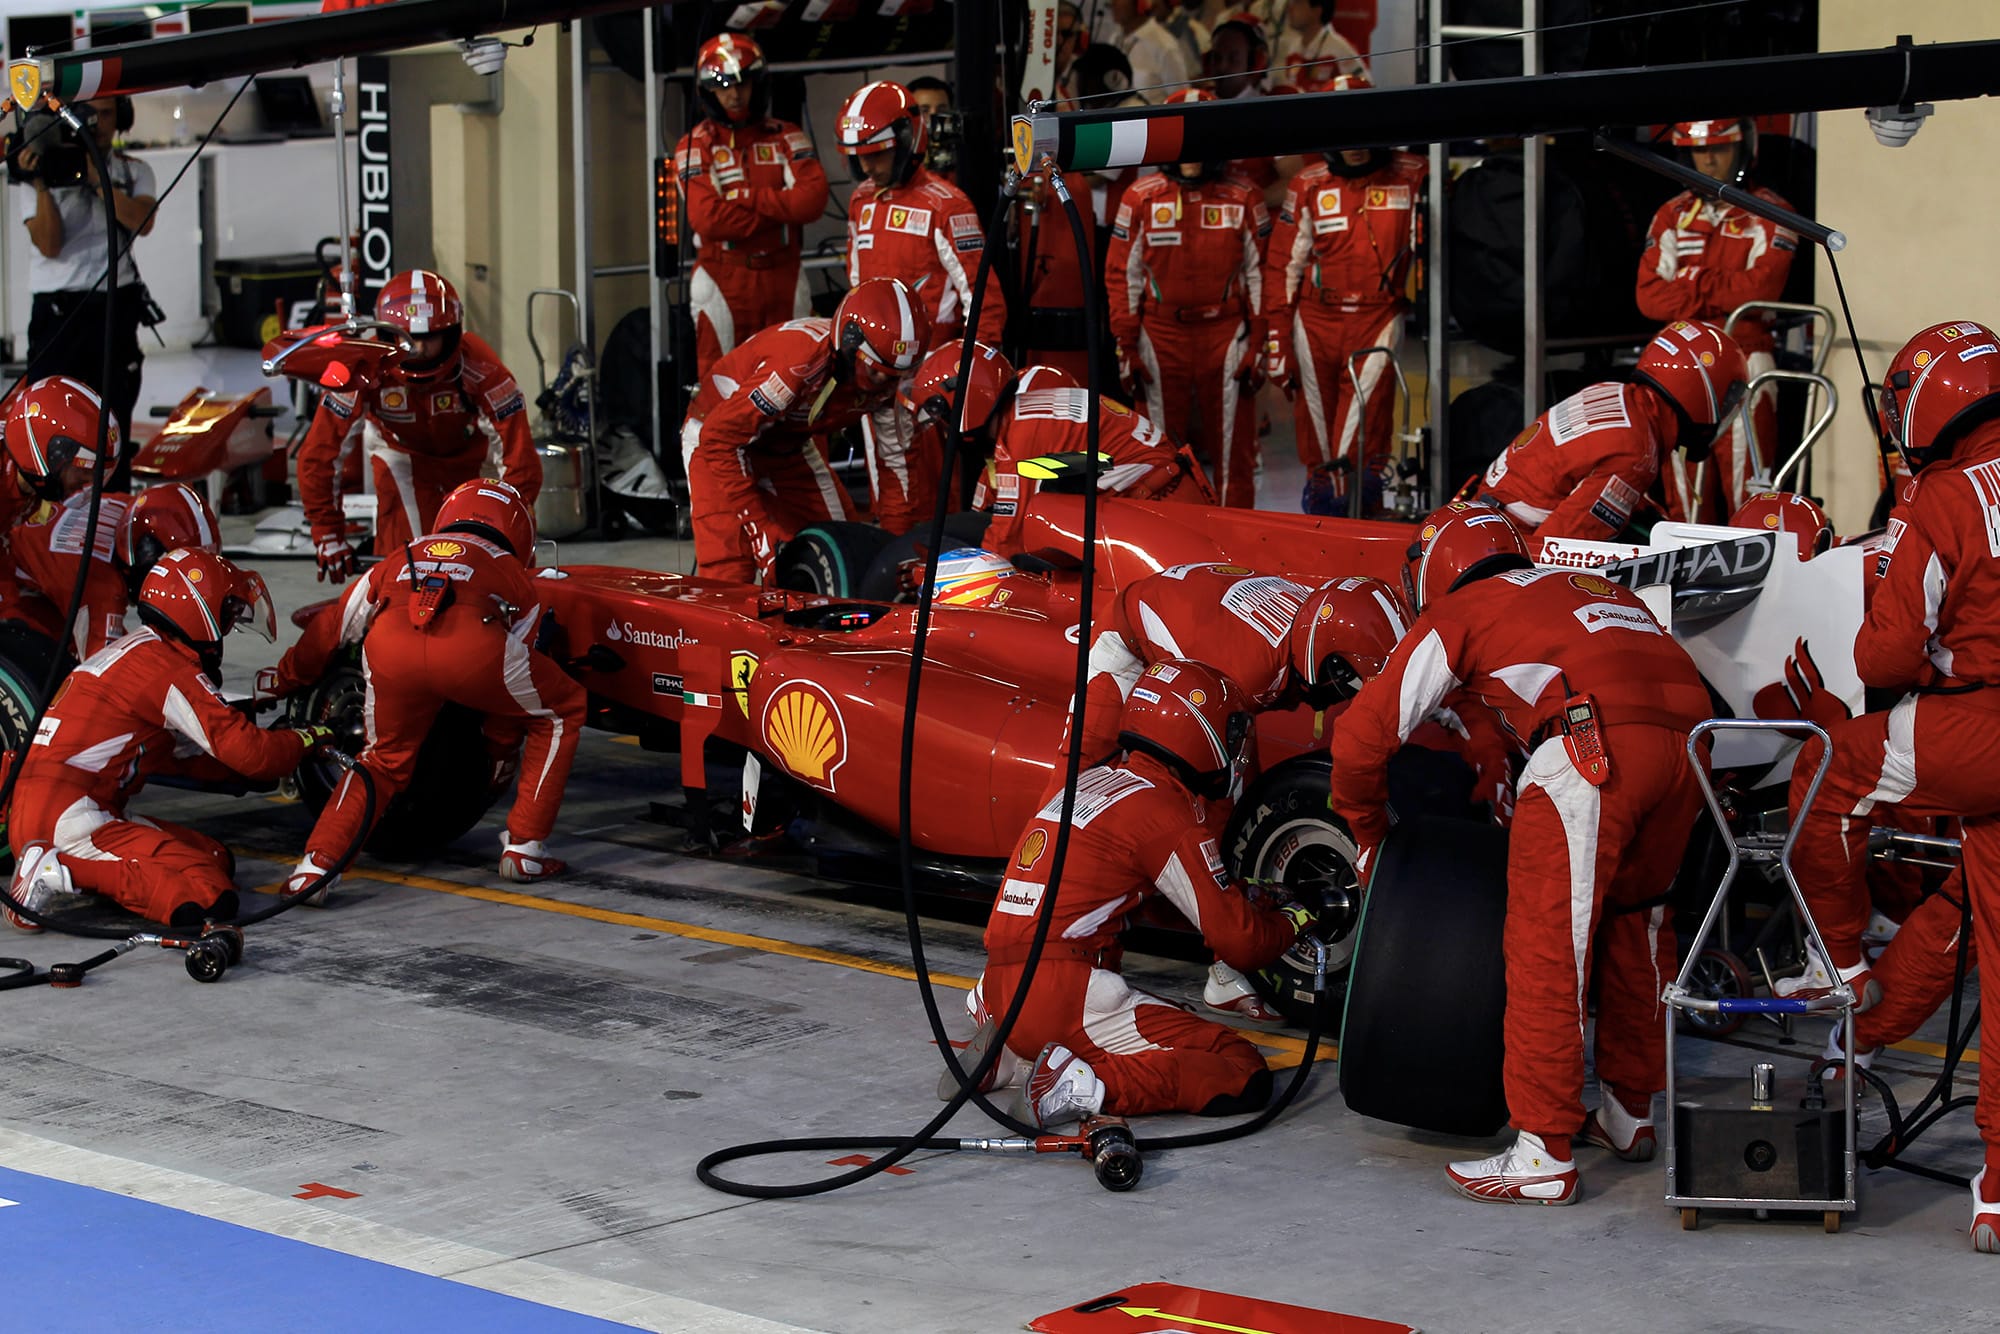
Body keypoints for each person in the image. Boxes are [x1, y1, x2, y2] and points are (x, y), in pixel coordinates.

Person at [1329, 502, 1711, 1203]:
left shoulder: (1465, 608)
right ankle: (1629, 1114)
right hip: (1692, 747)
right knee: (1641, 925)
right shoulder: (1588, 589)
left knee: (1545, 944)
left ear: (1434, 570)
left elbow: (1361, 736)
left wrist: (1365, 831)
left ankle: (1542, 1151)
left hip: (1592, 748)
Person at [1771, 321, 2000, 1249]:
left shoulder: (1946, 495)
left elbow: (1889, 648)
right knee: (1977, 928)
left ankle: (1841, 962)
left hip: (1978, 723)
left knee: (1828, 772)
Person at [964, 658, 1326, 1126]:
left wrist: (1241, 894)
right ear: (1200, 731)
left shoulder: (1089, 781)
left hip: (999, 987)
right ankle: (1086, 1085)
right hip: (1063, 994)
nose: (1236, 744)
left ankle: (1012, 1058)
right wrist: (1298, 916)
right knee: (1240, 1069)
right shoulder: (1165, 809)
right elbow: (1241, 943)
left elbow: (1139, 895)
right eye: (1230, 729)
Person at [265, 480, 586, 899]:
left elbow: (333, 626)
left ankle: (315, 867)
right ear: (519, 535)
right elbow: (515, 678)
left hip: (391, 649)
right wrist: (496, 753)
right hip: (473, 650)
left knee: (380, 760)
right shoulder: (511, 570)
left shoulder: (402, 555)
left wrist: (285, 677)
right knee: (563, 709)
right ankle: (525, 847)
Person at [5, 548, 318, 931]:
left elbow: (183, 759)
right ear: (198, 608)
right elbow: (252, 754)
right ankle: (56, 870)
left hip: (63, 805)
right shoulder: (165, 668)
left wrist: (260, 765)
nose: (227, 629)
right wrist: (307, 739)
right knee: (209, 896)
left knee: (214, 856)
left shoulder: (141, 651)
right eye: (227, 613)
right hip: (71, 816)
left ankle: (80, 868)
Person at [296, 268, 540, 583]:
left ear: (452, 332)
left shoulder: (484, 369)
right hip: (399, 456)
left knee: (496, 563)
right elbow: (320, 452)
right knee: (399, 568)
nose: (418, 349)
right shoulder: (361, 368)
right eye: (406, 337)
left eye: (429, 338)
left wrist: (508, 526)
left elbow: (519, 457)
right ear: (385, 333)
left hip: (474, 463)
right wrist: (327, 532)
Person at [839, 80, 1006, 535]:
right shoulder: (859, 203)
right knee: (885, 489)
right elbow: (856, 288)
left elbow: (984, 299)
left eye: (877, 153)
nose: (868, 165)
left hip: (932, 378)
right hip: (876, 375)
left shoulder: (948, 206)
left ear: (908, 140)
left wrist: (966, 375)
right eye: (860, 156)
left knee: (936, 499)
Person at [681, 279, 929, 581]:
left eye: (898, 375)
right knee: (730, 571)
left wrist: (892, 556)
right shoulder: (798, 363)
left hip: (786, 444)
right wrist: (760, 531)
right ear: (849, 345)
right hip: (716, 438)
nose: (885, 383)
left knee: (847, 554)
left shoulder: (892, 385)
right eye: (876, 371)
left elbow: (897, 469)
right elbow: (719, 439)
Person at [1262, 72, 1425, 517]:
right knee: (1316, 438)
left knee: (1360, 434)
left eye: (1363, 126)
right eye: (1343, 128)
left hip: (1378, 316)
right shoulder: (1308, 185)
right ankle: (1322, 533)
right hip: (1314, 322)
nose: (1355, 143)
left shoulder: (1413, 175)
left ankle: (1362, 519)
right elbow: (1283, 266)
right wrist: (1276, 341)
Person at [1106, 88, 1270, 508]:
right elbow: (1121, 277)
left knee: (1235, 447)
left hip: (1226, 334)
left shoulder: (1245, 196)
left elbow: (1264, 275)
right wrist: (1126, 346)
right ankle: (1169, 534)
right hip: (1160, 336)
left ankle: (1238, 539)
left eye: (1202, 137)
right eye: (1183, 138)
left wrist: (1260, 342)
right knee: (1158, 450)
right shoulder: (1139, 197)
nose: (1192, 151)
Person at [902, 343, 1213, 556]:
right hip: (1161, 491)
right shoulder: (1020, 421)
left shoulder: (1020, 437)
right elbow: (987, 509)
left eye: (941, 413)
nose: (942, 425)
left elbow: (1004, 542)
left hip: (1163, 505)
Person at [1635, 119, 1798, 522]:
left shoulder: (1772, 212)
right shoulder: (1669, 215)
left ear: (1742, 150)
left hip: (1748, 363)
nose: (1707, 160)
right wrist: (1719, 291)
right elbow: (1649, 298)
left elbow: (1762, 291)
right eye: (1697, 150)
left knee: (1749, 494)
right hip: (1680, 373)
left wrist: (1693, 281)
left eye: (1718, 149)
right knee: (1684, 504)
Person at [1475, 319, 1749, 543]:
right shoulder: (1637, 452)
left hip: (1482, 521)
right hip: (1508, 543)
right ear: (1699, 393)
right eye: (1726, 401)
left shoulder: (1614, 393)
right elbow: (1565, 548)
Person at [674, 34, 831, 379]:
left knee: (798, 377)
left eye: (743, 83)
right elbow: (708, 220)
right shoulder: (693, 145)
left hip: (784, 275)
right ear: (706, 91)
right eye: (723, 85)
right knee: (721, 384)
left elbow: (812, 201)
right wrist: (779, 211)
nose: (734, 94)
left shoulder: (788, 136)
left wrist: (746, 198)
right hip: (722, 278)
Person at [11, 97, 156, 467]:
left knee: (115, 416)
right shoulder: (38, 173)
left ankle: (114, 504)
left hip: (115, 305)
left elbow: (143, 222)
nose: (96, 124)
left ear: (121, 118)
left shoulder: (133, 170)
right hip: (58, 312)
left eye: (106, 114)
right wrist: (42, 184)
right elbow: (49, 244)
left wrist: (96, 180)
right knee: (49, 419)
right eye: (89, 115)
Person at [9, 479, 220, 661]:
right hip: (10, 583)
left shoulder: (133, 508)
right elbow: (104, 672)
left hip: (27, 553)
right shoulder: (99, 585)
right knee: (60, 668)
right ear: (146, 553)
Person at [1109, 0, 1196, 101]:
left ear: (1141, 4)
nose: (1113, 4)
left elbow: (1181, 98)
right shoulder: (1115, 39)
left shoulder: (1164, 45)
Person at [1274, 0, 1365, 87]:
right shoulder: (1293, 48)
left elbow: (1364, 87)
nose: (1290, 8)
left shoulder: (1339, 50)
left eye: (1298, 2)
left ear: (1317, 10)